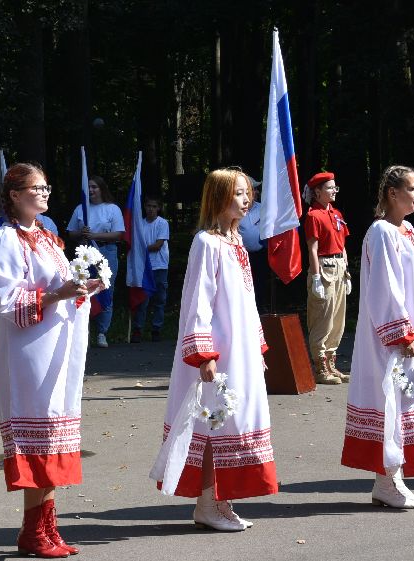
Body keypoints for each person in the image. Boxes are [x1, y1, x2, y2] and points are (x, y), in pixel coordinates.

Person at [0, 164, 101, 558]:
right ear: (15, 195)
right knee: (38, 437)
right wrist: (59, 294)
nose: (46, 193)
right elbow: (6, 302)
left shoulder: (46, 237)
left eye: (47, 187)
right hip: (26, 354)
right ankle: (34, 531)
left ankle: (46, 528)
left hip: (54, 349)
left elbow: (60, 287)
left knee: (52, 436)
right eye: (37, 188)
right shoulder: (4, 240)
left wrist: (84, 287)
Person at [158, 168, 278, 531]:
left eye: (247, 193)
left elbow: (246, 301)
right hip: (218, 351)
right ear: (218, 197)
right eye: (238, 193)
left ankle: (222, 501)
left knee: (230, 423)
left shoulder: (237, 242)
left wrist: (257, 346)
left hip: (239, 350)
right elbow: (199, 301)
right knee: (212, 424)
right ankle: (206, 502)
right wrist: (204, 354)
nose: (246, 199)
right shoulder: (206, 243)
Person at [341, 165, 414, 508]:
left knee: (407, 401)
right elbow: (384, 288)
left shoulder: (409, 231)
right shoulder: (381, 232)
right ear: (392, 193)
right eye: (413, 188)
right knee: (392, 400)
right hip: (392, 336)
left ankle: (393, 479)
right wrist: (402, 331)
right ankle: (387, 481)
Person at [303, 171, 351, 384]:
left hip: (339, 266)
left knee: (338, 319)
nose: (334, 191)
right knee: (322, 318)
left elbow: (343, 245)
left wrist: (347, 273)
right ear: (317, 192)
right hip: (324, 267)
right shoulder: (314, 215)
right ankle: (320, 367)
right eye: (330, 188)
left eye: (335, 187)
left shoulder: (337, 213)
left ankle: (331, 363)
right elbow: (312, 249)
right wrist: (315, 277)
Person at [67, 176, 125, 347]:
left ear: (102, 189)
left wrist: (95, 236)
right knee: (83, 289)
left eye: (94, 187)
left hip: (106, 250)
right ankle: (84, 331)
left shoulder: (112, 209)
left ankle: (102, 332)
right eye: (89, 187)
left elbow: (118, 234)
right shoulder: (81, 209)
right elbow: (71, 232)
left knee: (105, 289)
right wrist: (82, 233)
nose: (91, 190)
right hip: (85, 253)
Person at [130, 195, 170, 343]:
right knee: (143, 300)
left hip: (159, 266)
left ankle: (156, 329)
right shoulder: (139, 224)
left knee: (159, 299)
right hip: (144, 267)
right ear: (144, 207)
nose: (151, 209)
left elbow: (158, 245)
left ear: (158, 208)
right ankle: (138, 329)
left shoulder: (162, 223)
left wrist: (141, 249)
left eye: (154, 206)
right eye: (148, 206)